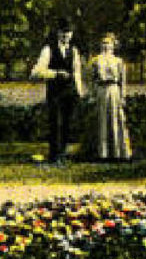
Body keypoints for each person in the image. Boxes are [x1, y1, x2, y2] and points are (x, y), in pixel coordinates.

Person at [28, 24, 84, 164]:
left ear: (72, 34)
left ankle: (62, 154)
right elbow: (36, 72)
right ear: (58, 33)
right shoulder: (48, 49)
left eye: (68, 32)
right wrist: (56, 74)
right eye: (63, 32)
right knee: (55, 123)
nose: (66, 35)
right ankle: (54, 155)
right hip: (55, 92)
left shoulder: (74, 50)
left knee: (67, 123)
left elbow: (77, 72)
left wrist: (79, 91)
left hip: (69, 91)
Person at [85, 33, 133, 162]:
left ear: (114, 45)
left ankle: (118, 152)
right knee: (102, 120)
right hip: (101, 90)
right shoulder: (95, 60)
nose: (106, 46)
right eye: (104, 43)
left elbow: (122, 81)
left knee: (116, 119)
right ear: (101, 45)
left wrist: (123, 96)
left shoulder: (118, 61)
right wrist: (92, 94)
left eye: (109, 44)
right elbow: (91, 79)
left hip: (114, 90)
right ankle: (102, 153)